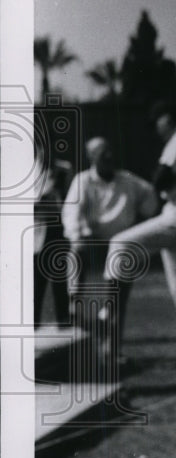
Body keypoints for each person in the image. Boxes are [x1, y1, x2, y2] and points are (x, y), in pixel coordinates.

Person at [106, 100, 176, 353]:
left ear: (169, 117)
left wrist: (152, 187)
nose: (156, 126)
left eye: (159, 119)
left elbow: (162, 177)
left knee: (120, 243)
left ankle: (106, 313)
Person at [61, 137, 158, 364]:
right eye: (102, 153)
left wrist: (143, 220)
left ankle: (112, 349)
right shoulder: (82, 181)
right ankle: (74, 303)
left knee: (118, 295)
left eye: (110, 152)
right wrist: (80, 237)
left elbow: (151, 199)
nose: (109, 157)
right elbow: (71, 214)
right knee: (76, 250)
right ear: (91, 157)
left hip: (120, 245)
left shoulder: (129, 180)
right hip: (92, 243)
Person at [33, 139, 73, 328]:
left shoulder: (63, 169)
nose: (46, 153)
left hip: (57, 226)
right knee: (36, 279)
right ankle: (33, 323)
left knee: (59, 276)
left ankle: (63, 321)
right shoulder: (28, 172)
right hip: (35, 228)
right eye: (42, 148)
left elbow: (71, 199)